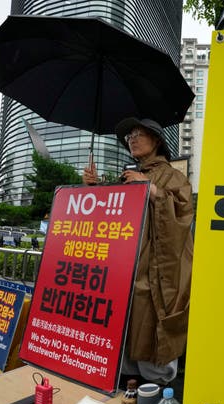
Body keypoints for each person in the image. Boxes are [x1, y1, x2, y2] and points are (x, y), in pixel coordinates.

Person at [83, 117, 194, 385]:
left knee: (154, 321)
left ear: (156, 140)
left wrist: (151, 189)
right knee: (127, 321)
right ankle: (127, 386)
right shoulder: (128, 176)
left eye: (138, 134)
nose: (131, 138)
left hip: (159, 270)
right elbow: (110, 219)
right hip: (127, 268)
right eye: (129, 135)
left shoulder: (173, 175)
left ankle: (158, 389)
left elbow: (183, 213)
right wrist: (93, 189)